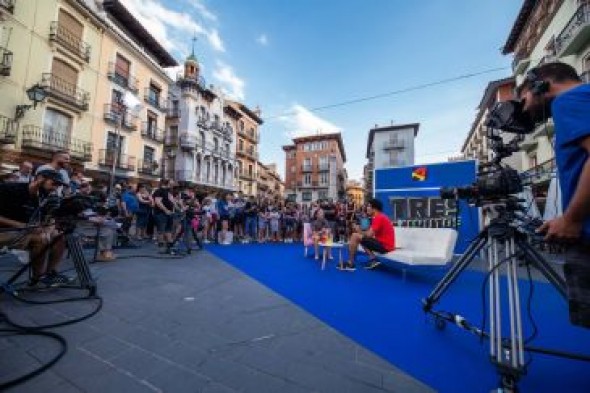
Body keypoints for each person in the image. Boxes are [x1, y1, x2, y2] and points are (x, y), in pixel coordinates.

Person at [519, 62, 590, 327]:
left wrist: (572, 218)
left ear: (541, 85)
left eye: (524, 97)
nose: (524, 107)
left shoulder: (569, 100)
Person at [0, 170, 69, 286]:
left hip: (20, 233)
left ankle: (46, 275)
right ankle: (39, 276)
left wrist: (48, 229)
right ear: (40, 178)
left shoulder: (43, 197)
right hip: (4, 231)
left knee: (58, 236)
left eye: (58, 185)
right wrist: (21, 225)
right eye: (54, 183)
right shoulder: (8, 189)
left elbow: (50, 218)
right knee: (40, 239)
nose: (55, 188)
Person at [342, 198, 395, 271]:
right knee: (360, 238)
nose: (367, 208)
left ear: (374, 209)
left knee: (355, 236)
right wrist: (360, 230)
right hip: (385, 244)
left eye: (369, 206)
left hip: (385, 246)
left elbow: (369, 235)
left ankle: (350, 263)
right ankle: (373, 259)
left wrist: (358, 230)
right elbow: (369, 233)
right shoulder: (379, 217)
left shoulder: (379, 218)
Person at [152, 179, 175, 254]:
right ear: (167, 183)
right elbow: (158, 202)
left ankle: (169, 248)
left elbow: (172, 202)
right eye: (172, 182)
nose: (173, 184)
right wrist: (166, 210)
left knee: (168, 230)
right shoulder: (159, 191)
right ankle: (161, 248)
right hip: (161, 214)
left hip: (169, 214)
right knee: (161, 231)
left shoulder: (169, 192)